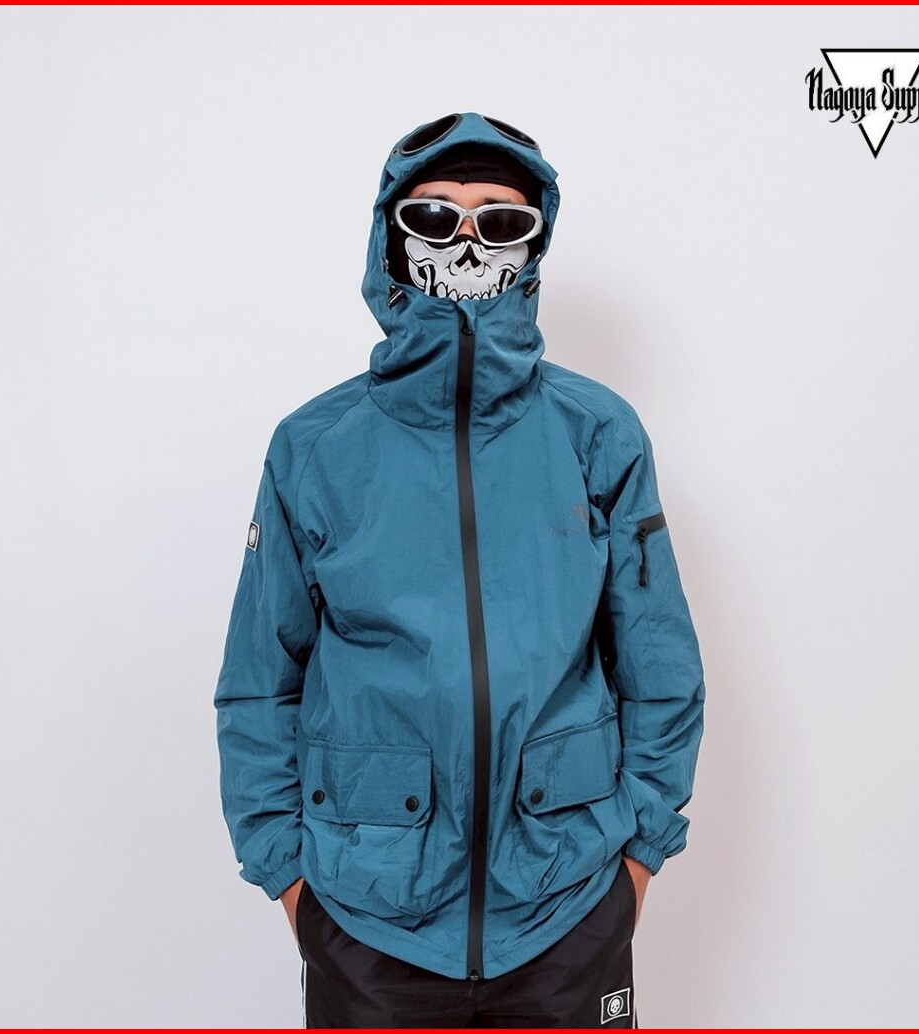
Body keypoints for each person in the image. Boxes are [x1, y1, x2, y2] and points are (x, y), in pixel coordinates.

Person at [213, 112, 706, 1028]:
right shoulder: (314, 447)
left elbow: (661, 667)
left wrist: (634, 865)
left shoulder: (599, 434)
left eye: (501, 221)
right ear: (391, 242)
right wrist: (290, 881)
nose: (468, 245)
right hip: (366, 921)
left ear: (534, 247)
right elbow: (258, 684)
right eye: (435, 218)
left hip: (568, 906)